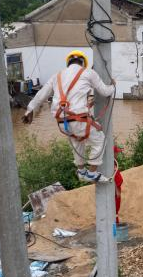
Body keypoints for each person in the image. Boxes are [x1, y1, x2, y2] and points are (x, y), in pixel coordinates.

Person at [23, 50, 115, 182]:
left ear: (68, 63)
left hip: (62, 123)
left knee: (78, 141)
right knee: (100, 140)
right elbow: (105, 92)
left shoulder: (57, 76)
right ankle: (92, 173)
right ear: (83, 63)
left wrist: (29, 109)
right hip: (79, 120)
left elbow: (41, 94)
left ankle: (81, 171)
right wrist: (113, 86)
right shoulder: (88, 73)